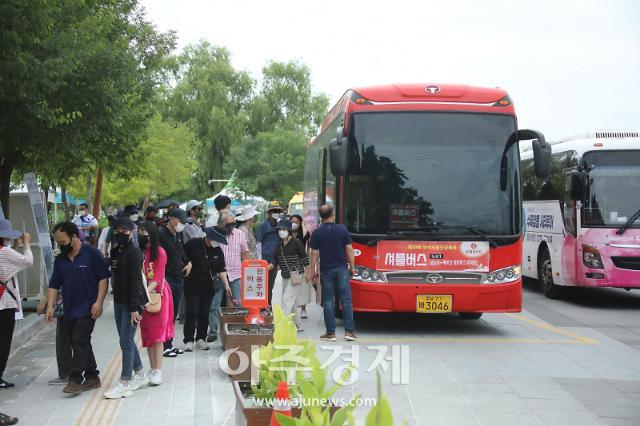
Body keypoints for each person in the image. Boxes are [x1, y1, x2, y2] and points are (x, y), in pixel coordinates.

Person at [46, 222, 110, 395]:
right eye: (58, 242)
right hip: (69, 309)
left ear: (74, 237)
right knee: (81, 342)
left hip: (89, 308)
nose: (61, 245)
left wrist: (99, 302)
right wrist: (50, 306)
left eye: (63, 241)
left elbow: (103, 279)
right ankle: (92, 376)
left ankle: (74, 379)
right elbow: (53, 285)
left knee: (79, 339)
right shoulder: (60, 259)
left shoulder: (92, 254)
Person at [102, 217, 149, 399]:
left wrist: (134, 308)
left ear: (132, 232)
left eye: (124, 230)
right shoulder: (116, 251)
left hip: (132, 304)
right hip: (119, 301)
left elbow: (136, 282)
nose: (120, 233)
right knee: (126, 339)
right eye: (116, 230)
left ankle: (125, 382)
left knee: (125, 342)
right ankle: (140, 374)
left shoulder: (135, 253)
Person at [309, 205, 356, 341]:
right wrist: (352, 267)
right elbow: (349, 249)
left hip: (326, 269)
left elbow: (313, 253)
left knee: (328, 301)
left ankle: (331, 333)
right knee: (346, 300)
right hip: (341, 268)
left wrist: (312, 271)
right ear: (333, 214)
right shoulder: (342, 229)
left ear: (320, 216)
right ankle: (349, 332)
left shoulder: (317, 233)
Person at [183, 226, 231, 350]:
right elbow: (182, 254)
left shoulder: (218, 250)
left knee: (204, 313)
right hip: (192, 285)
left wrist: (226, 285)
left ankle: (201, 338)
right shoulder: (194, 243)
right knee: (192, 312)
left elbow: (221, 270)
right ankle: (188, 340)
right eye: (217, 239)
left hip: (208, 287)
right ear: (209, 237)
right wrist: (188, 263)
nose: (218, 242)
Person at [138, 221, 174, 386]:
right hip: (144, 296)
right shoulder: (141, 253)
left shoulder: (160, 252)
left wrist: (143, 291)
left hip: (157, 296)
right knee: (148, 334)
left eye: (144, 231)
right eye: (139, 231)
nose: (141, 234)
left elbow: (158, 278)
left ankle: (158, 371)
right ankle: (152, 369)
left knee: (157, 335)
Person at [0, 220, 33, 390]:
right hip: (4, 304)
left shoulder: (5, 252)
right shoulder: (4, 252)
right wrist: (26, 244)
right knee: (4, 341)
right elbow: (28, 261)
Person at [206, 211, 247, 342]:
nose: (231, 227)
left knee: (239, 304)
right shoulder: (215, 236)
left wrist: (245, 272)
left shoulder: (240, 234)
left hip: (236, 274)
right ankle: (213, 331)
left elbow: (244, 253)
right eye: (228, 224)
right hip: (218, 275)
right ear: (221, 224)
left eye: (233, 224)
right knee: (214, 305)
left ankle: (240, 329)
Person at [158, 208, 192, 357]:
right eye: (181, 221)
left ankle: (169, 343)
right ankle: (163, 345)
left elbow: (181, 252)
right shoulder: (160, 235)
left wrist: (189, 262)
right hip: (166, 279)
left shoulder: (177, 235)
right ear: (172, 219)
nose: (183, 224)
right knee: (165, 314)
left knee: (173, 313)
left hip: (178, 278)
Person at [269, 219, 309, 331]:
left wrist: (308, 274)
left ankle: (281, 326)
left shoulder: (296, 242)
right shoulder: (278, 245)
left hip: (296, 275)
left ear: (289, 230)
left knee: (286, 300)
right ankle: (298, 324)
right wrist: (266, 268)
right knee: (292, 301)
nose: (281, 231)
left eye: (283, 229)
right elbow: (274, 260)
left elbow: (304, 258)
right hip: (285, 275)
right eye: (279, 229)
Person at [257, 203, 284, 306]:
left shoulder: (279, 225)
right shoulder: (263, 225)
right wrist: (260, 259)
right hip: (265, 258)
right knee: (263, 284)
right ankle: (264, 305)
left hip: (275, 259)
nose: (276, 213)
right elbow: (259, 243)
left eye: (278, 212)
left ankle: (268, 304)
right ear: (269, 213)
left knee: (270, 284)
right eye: (274, 211)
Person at [290, 214, 314, 318]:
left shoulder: (304, 234)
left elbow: (309, 248)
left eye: (296, 222)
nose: (294, 224)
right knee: (293, 286)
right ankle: (293, 309)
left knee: (304, 287)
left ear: (300, 224)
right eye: (292, 222)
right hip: (291, 264)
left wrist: (308, 265)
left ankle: (304, 309)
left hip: (302, 263)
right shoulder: (287, 233)